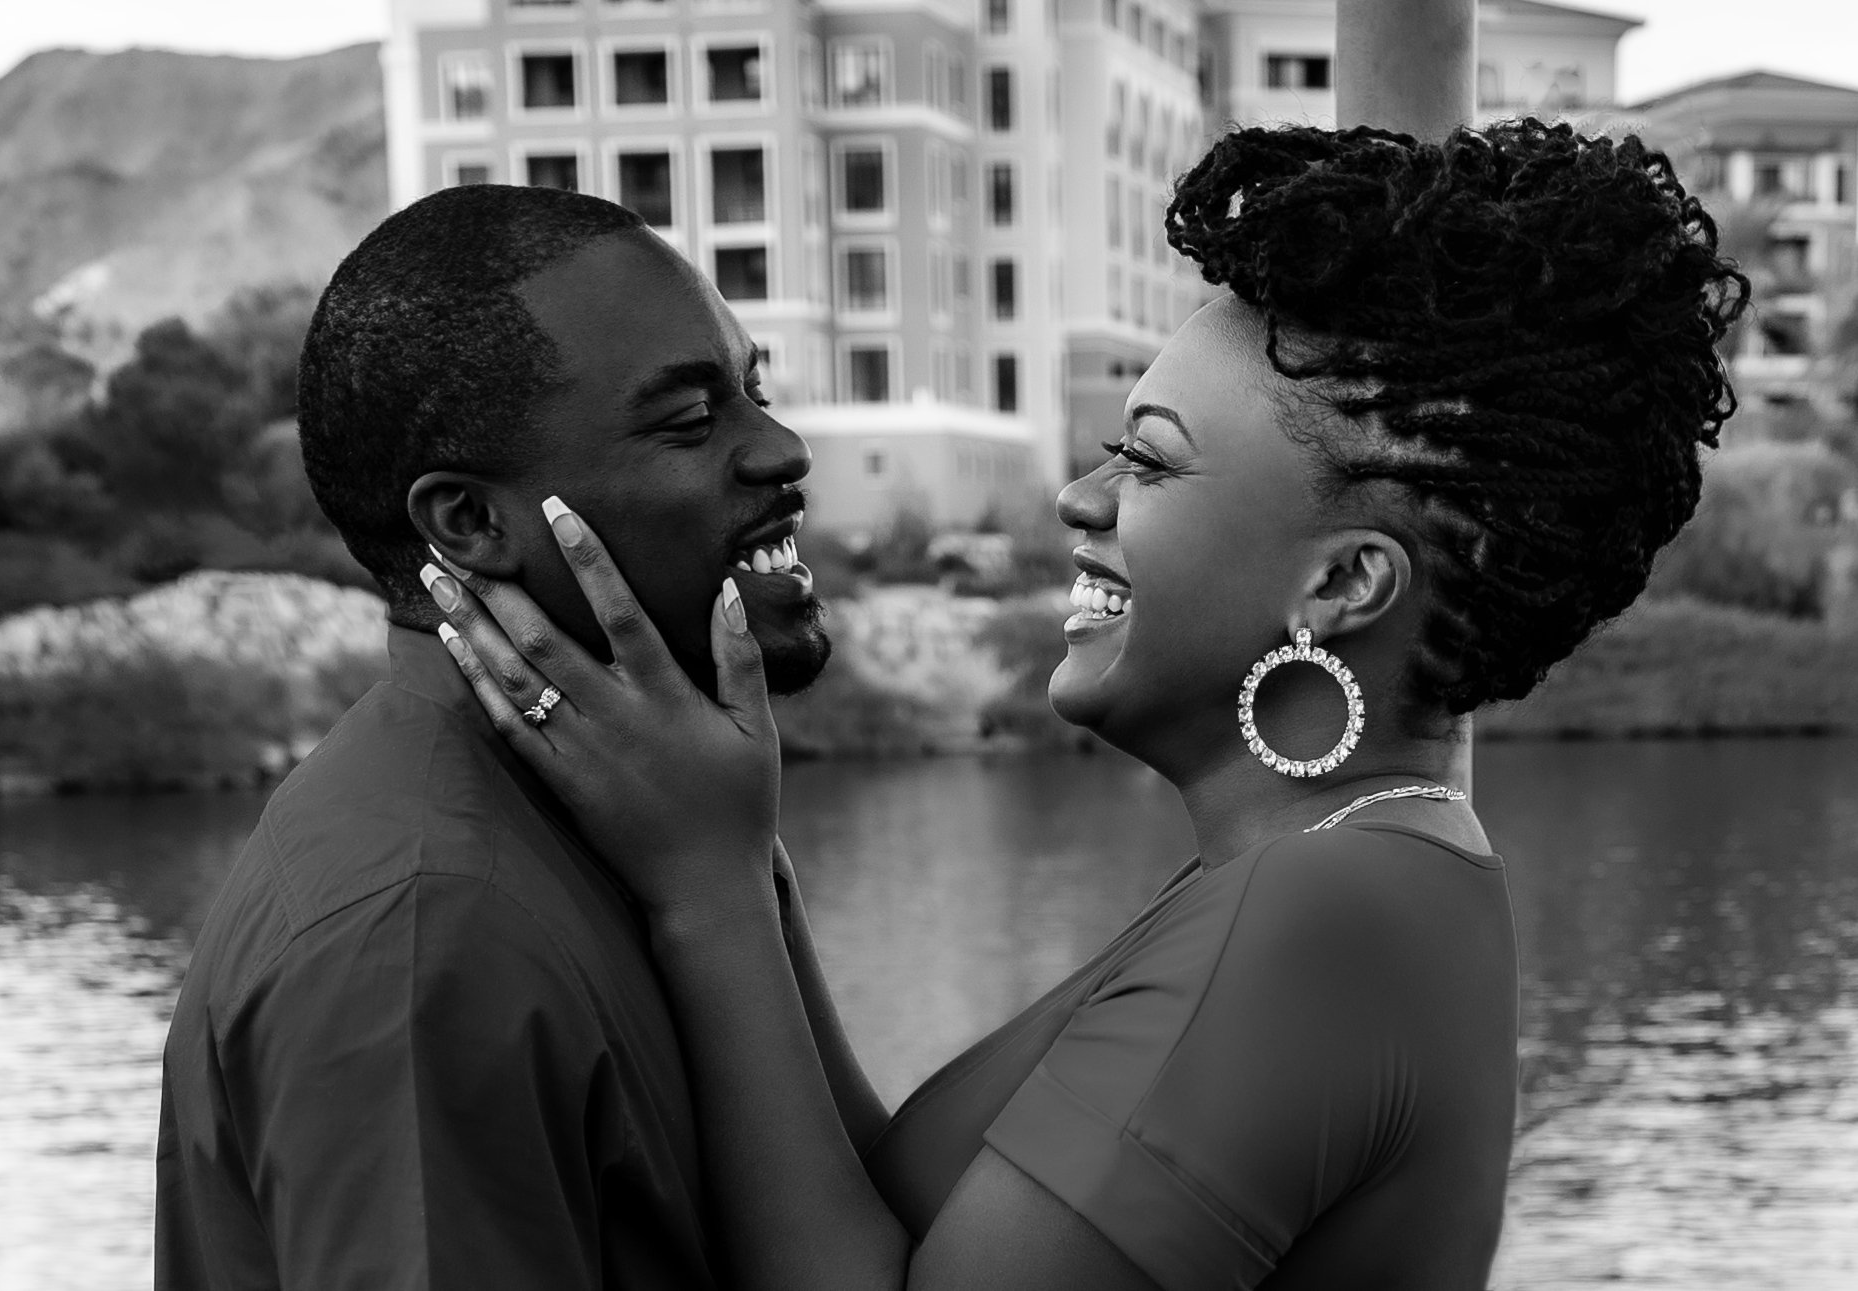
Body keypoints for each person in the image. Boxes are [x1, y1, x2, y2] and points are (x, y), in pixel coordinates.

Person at [431, 121, 1748, 1290]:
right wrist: (741, 855)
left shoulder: (1315, 920)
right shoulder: (1336, 872)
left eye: (1147, 461)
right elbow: (892, 1217)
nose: (1080, 496)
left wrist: (707, 891)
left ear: (1344, 582)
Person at [153, 183, 886, 1289]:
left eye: (754, 392)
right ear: (470, 522)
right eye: (691, 422)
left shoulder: (668, 818)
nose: (783, 448)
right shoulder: (421, 933)